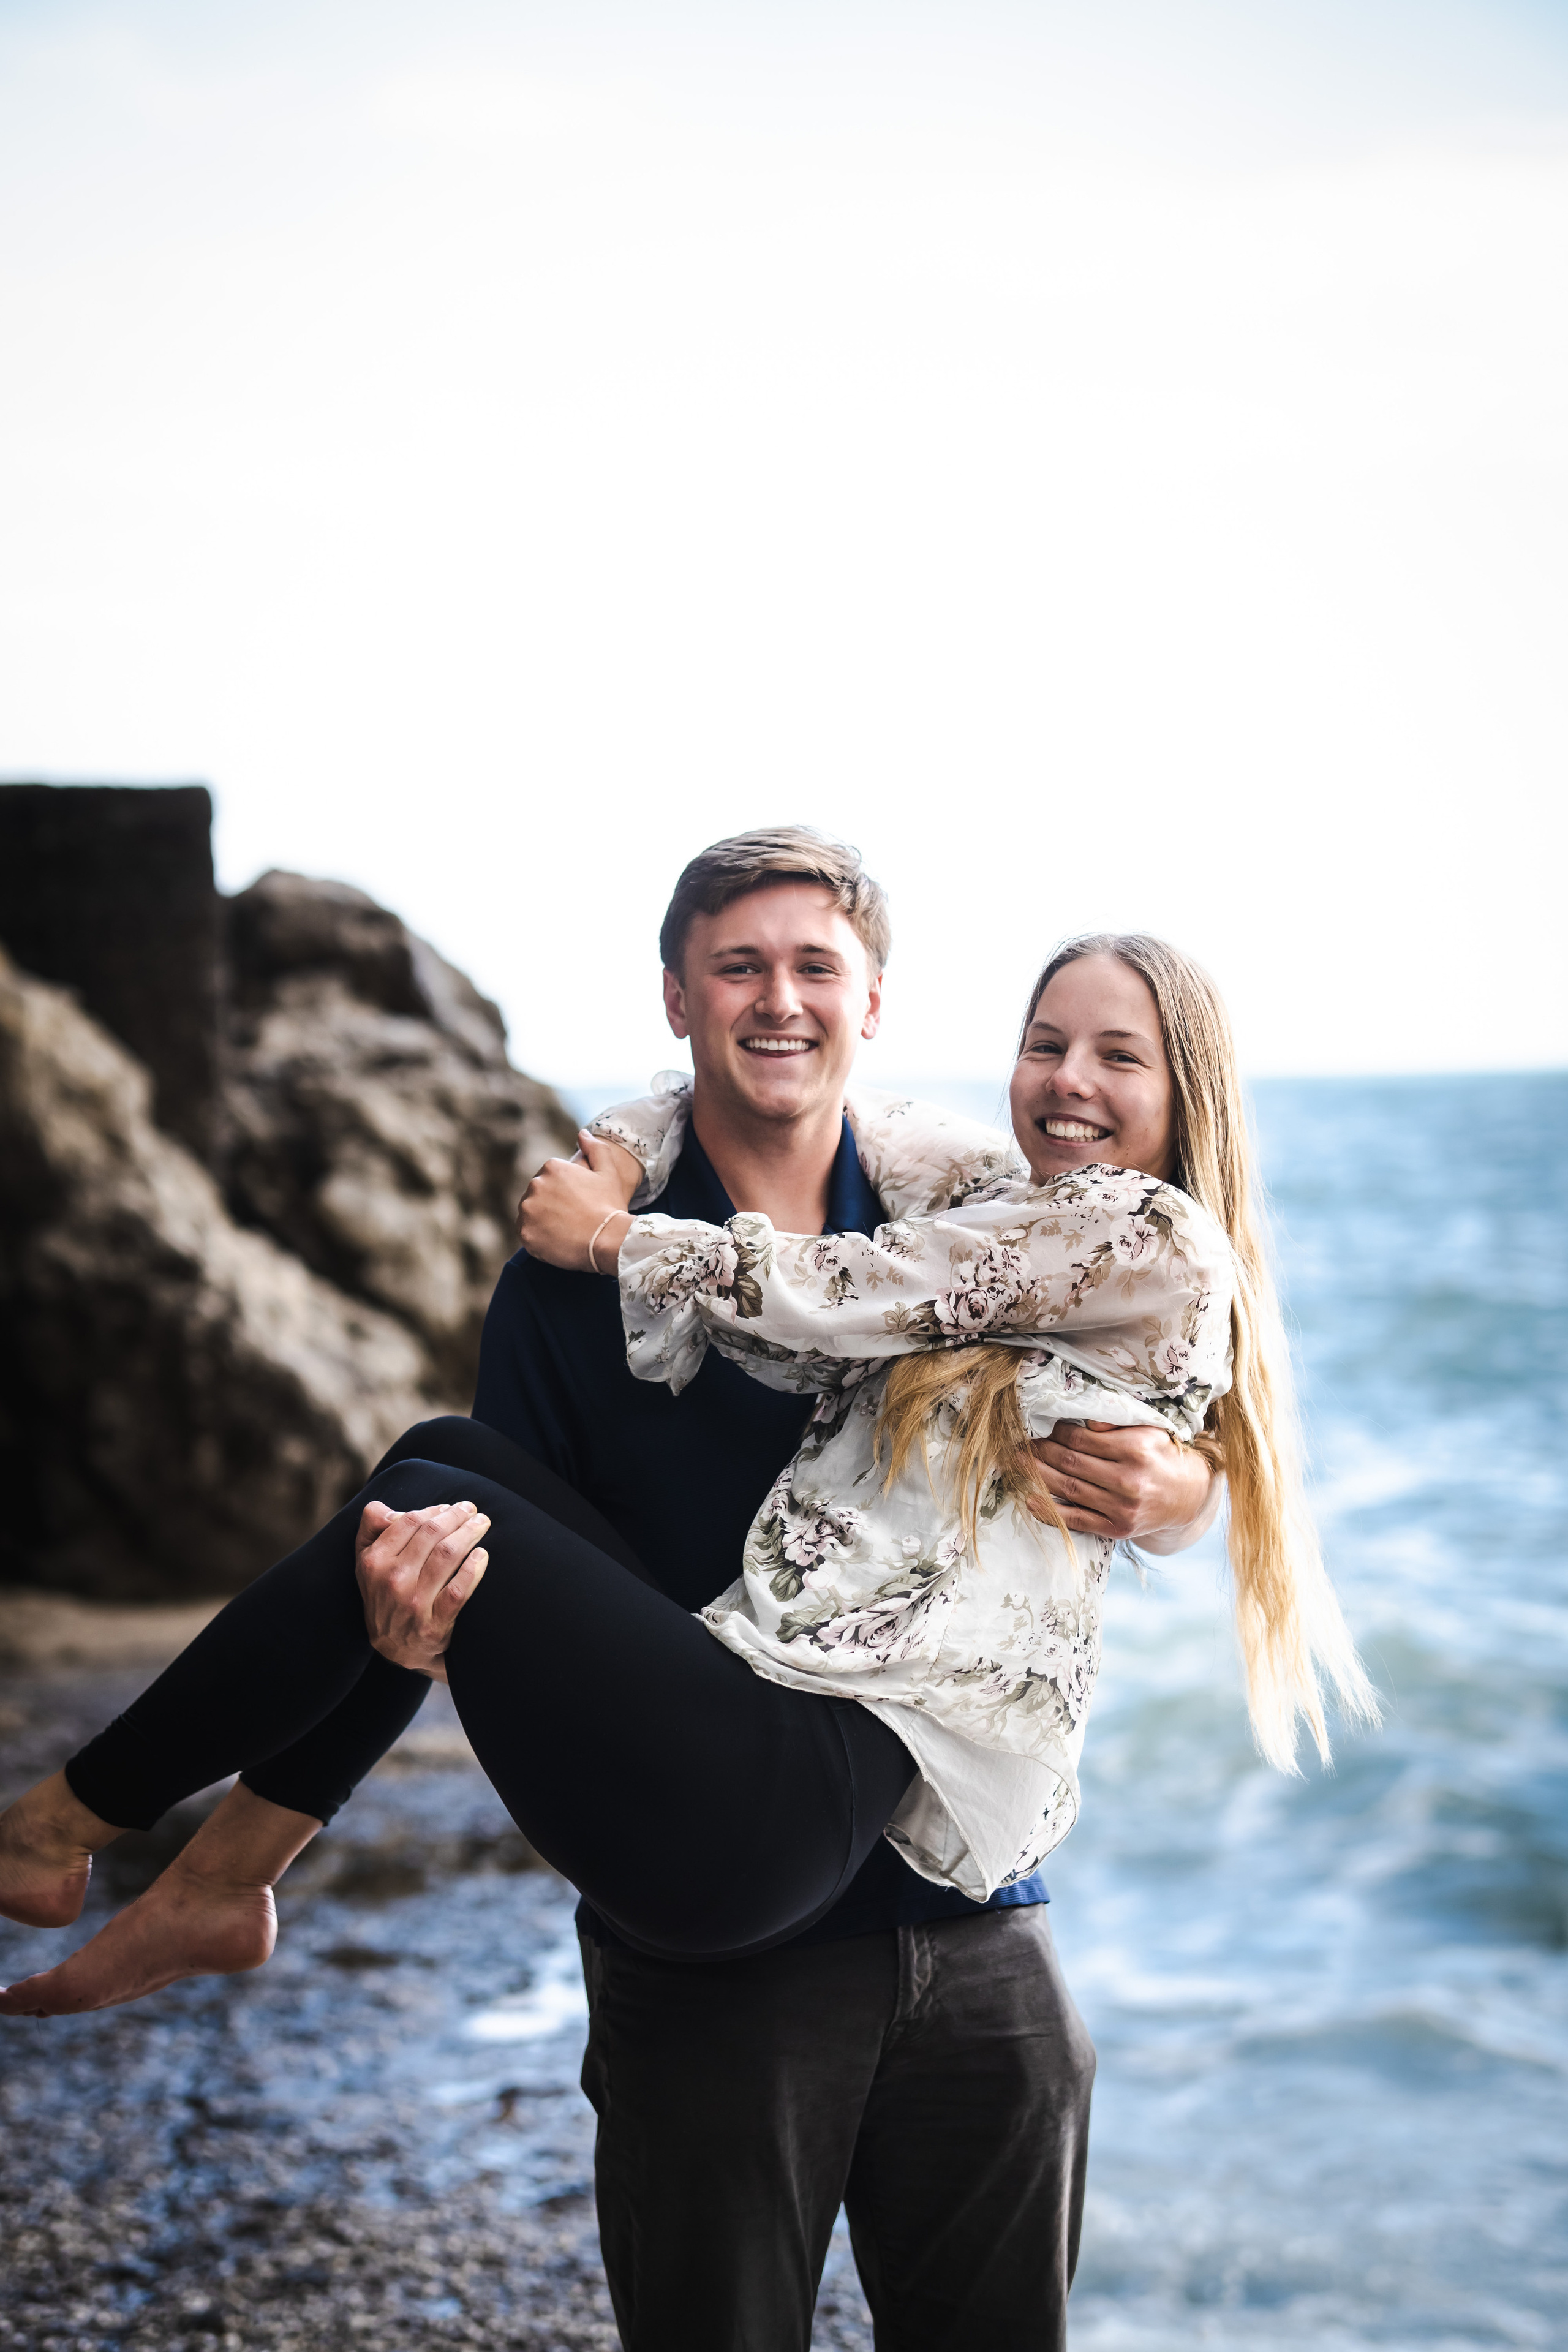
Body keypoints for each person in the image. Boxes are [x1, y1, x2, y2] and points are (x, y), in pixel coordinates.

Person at [0, 834, 1322, 2350]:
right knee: (429, 1493)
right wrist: (613, 1188)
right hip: (726, 1934)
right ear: (677, 1000)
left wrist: (1186, 1497)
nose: (778, 1002)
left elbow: (1140, 1366)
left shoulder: (947, 1227)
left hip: (973, 1926)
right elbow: (471, 1587)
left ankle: (181, 1858)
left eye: (814, 969)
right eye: (737, 969)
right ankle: (199, 1863)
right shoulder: (568, 1282)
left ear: (873, 1004)